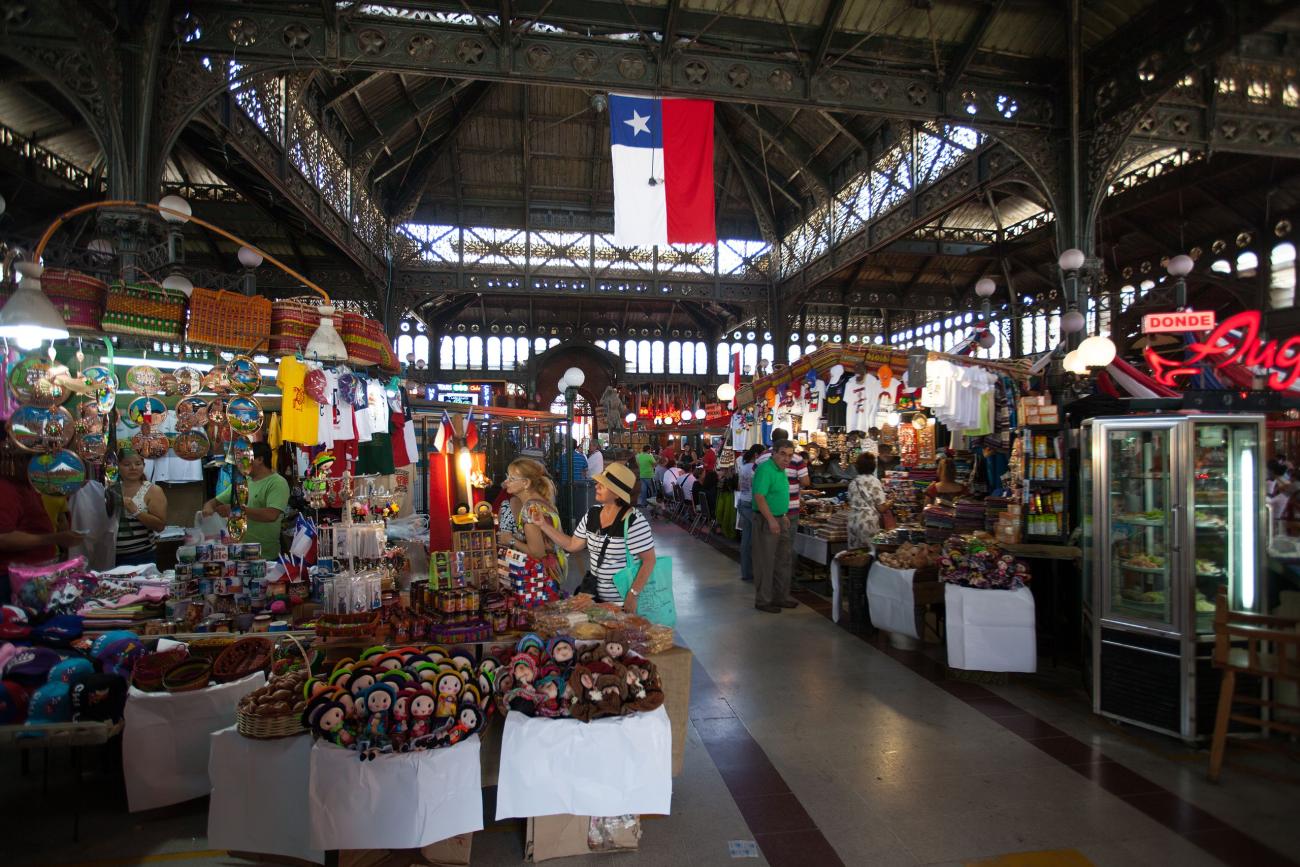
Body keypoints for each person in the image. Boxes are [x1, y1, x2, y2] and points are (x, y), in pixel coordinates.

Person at [540, 463, 656, 611]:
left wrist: (633, 595)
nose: (596, 486)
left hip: (622, 603)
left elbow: (649, 561)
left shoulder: (634, 522)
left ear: (616, 493)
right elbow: (572, 544)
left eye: (603, 484)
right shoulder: (592, 514)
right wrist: (543, 525)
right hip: (595, 599)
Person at [0, 441, 81, 603]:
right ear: (21, 461)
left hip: (33, 577)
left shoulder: (29, 486)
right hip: (14, 580)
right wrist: (53, 539)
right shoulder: (6, 489)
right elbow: (3, 538)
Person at [204, 442, 290, 558]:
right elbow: (213, 502)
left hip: (265, 557)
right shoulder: (242, 482)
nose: (240, 463)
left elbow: (271, 515)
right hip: (238, 554)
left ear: (259, 459)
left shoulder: (277, 483)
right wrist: (208, 508)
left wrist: (236, 510)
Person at [501, 458, 567, 588]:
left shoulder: (530, 509)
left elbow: (537, 552)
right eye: (507, 477)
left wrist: (510, 540)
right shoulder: (544, 502)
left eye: (512, 479)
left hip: (542, 577)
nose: (506, 482)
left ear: (526, 483)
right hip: (554, 571)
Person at [752, 440, 797, 613]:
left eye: (790, 455)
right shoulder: (766, 470)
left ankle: (781, 596)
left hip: (780, 519)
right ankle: (763, 600)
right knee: (765, 562)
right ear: (774, 453)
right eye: (783, 454)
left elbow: (777, 495)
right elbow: (759, 497)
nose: (787, 459)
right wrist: (771, 519)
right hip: (766, 520)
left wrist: (782, 515)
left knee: (783, 560)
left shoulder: (781, 471)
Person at [114, 450, 168, 567]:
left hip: (142, 556)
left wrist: (135, 510)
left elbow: (160, 526)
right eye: (127, 464)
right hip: (112, 557)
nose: (133, 468)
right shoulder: (111, 490)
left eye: (138, 464)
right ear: (118, 466)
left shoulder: (153, 490)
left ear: (143, 465)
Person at [846, 452, 888, 549]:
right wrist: (891, 502)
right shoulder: (874, 481)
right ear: (873, 466)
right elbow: (881, 508)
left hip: (853, 522)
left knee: (855, 555)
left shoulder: (853, 482)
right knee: (870, 554)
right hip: (868, 522)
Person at [736, 445, 763, 582]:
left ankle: (746, 572)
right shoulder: (755, 468)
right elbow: (757, 488)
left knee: (746, 540)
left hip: (742, 501)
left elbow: (740, 486)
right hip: (751, 505)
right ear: (757, 454)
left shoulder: (743, 467)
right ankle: (755, 571)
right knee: (755, 540)